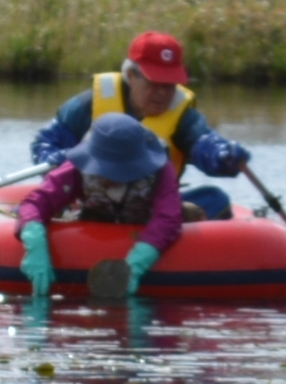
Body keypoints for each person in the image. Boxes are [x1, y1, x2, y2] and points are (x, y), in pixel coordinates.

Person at [30, 32, 253, 224]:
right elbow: (46, 142)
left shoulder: (184, 118)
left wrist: (222, 155)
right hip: (90, 202)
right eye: (154, 82)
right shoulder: (88, 105)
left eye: (169, 84)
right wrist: (51, 158)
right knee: (50, 199)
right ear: (130, 75)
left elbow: (204, 144)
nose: (163, 93)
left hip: (154, 204)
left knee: (215, 200)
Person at [15, 114, 180, 304]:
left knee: (188, 211)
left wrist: (137, 263)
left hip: (142, 223)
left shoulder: (160, 170)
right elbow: (35, 202)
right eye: (104, 167)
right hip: (94, 219)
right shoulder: (76, 167)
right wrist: (34, 242)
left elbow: (168, 218)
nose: (109, 175)